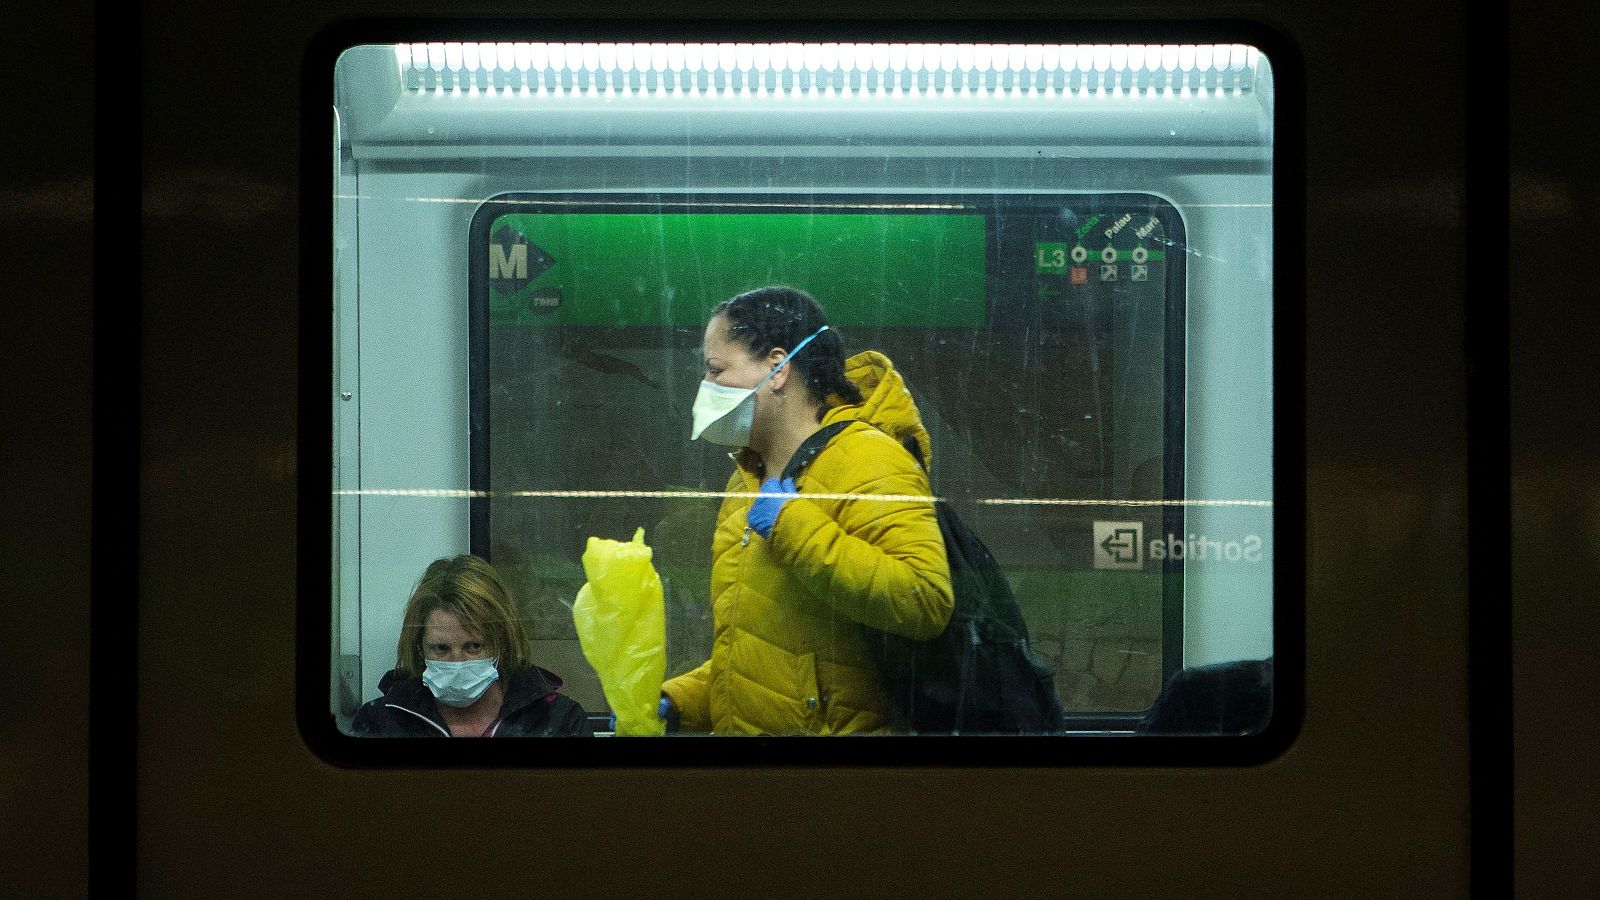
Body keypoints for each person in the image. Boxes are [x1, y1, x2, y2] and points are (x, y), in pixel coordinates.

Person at [661, 286, 954, 734]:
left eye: (716, 370)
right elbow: (765, 651)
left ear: (777, 368)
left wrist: (793, 524)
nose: (707, 387)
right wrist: (681, 701)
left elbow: (924, 600)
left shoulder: (869, 458)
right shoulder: (746, 480)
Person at [352, 554, 594, 737]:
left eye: (473, 646)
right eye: (441, 649)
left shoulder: (559, 721)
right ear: (419, 649)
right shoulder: (380, 723)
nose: (458, 662)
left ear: (501, 643)